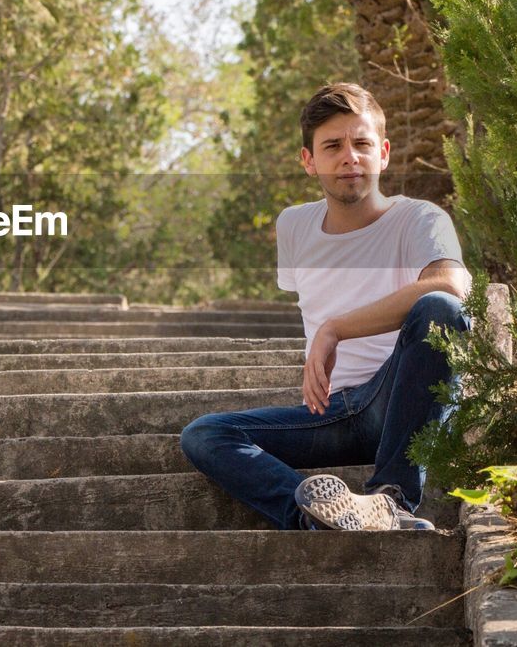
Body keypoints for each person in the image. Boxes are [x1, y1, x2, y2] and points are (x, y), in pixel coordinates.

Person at [181, 82, 472, 531]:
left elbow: (451, 285)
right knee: (205, 434)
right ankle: (318, 521)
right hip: (329, 414)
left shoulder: (420, 218)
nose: (349, 157)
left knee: (439, 308)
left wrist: (336, 329)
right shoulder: (295, 226)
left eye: (361, 144)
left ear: (384, 153)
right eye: (333, 146)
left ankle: (390, 501)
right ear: (308, 161)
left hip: (398, 403)